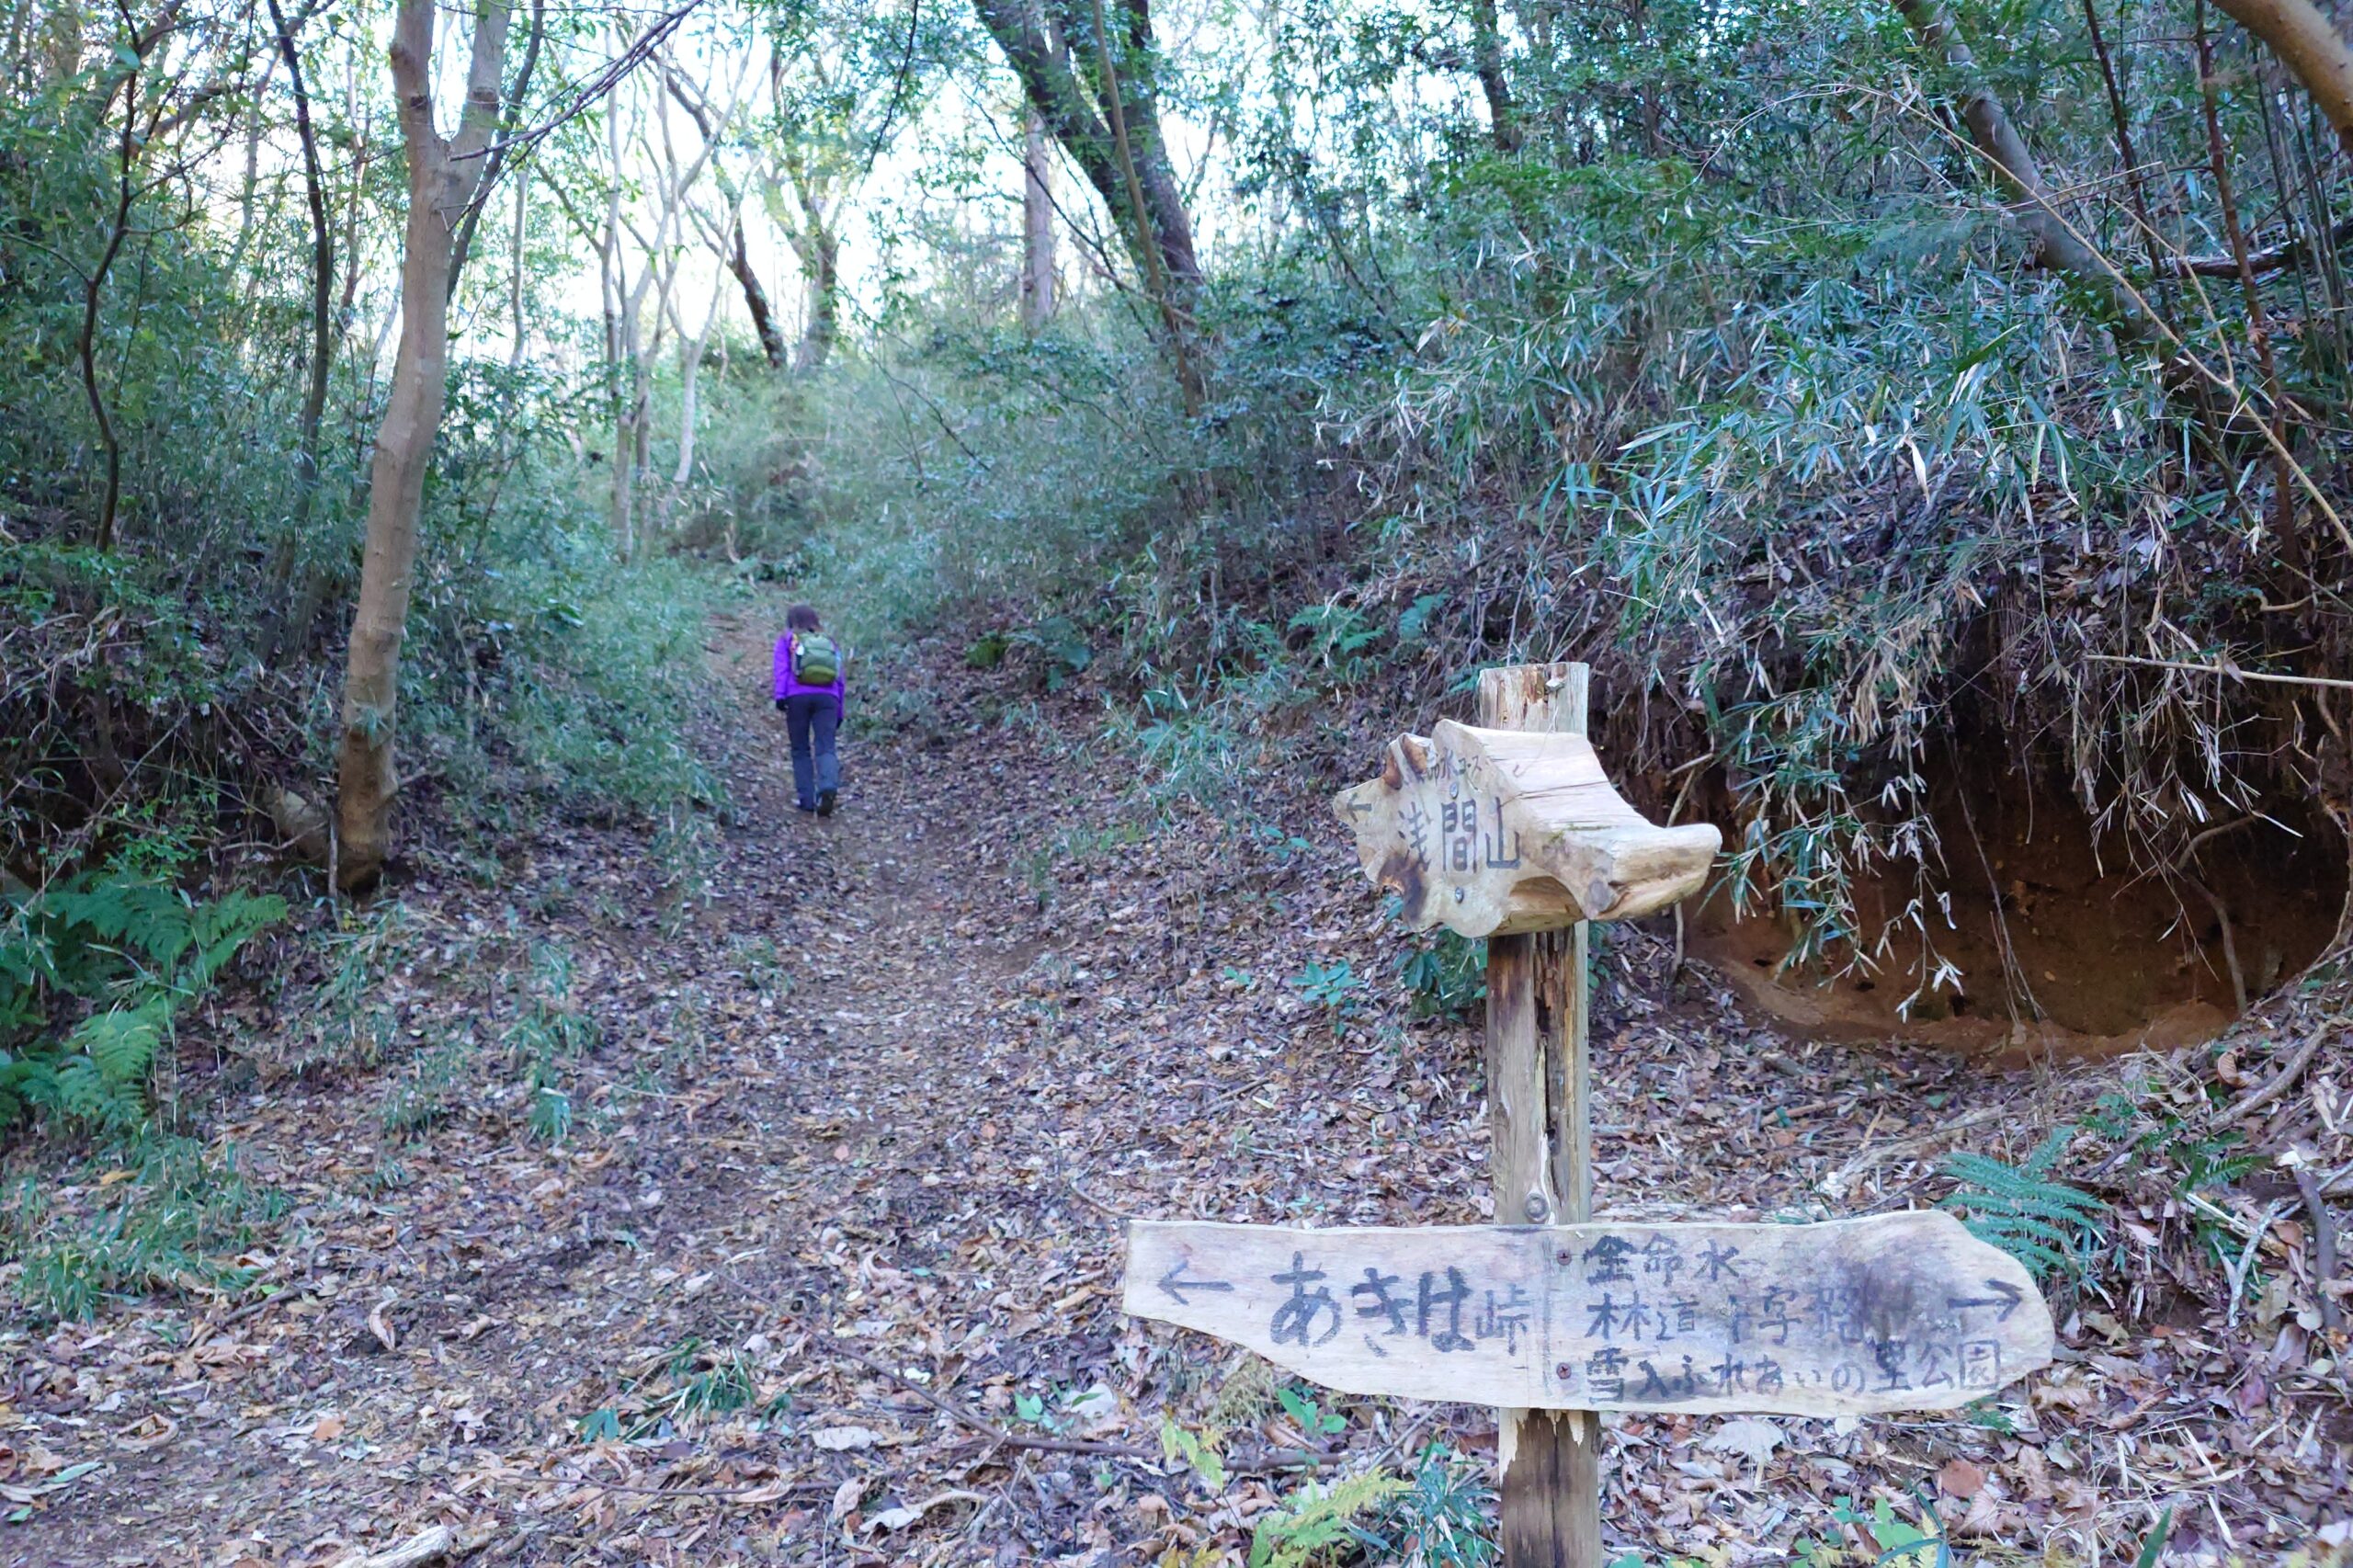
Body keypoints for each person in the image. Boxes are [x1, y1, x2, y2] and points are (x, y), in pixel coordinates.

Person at [773, 605, 846, 815]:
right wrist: (840, 709)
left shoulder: (787, 640)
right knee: (826, 747)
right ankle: (828, 786)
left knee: (800, 749)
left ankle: (806, 799)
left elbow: (781, 670)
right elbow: (840, 677)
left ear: (791, 621)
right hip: (828, 698)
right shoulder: (829, 641)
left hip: (797, 697)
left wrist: (780, 696)